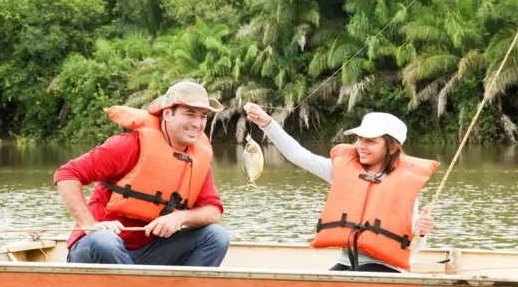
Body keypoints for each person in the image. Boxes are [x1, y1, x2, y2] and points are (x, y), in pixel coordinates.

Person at [244, 103, 438, 273]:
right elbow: (298, 155)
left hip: (386, 269)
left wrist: (422, 231)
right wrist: (267, 123)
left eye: (370, 141)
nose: (361, 146)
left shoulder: (404, 184)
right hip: (346, 264)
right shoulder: (341, 170)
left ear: (392, 148)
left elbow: (416, 246)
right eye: (359, 139)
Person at [54, 81, 230, 267]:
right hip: (96, 248)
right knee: (106, 241)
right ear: (168, 114)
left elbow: (213, 211)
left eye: (203, 116)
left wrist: (180, 217)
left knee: (216, 236)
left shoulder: (197, 161)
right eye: (189, 114)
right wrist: (90, 225)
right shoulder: (128, 145)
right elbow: (66, 174)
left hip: (148, 254)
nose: (197, 123)